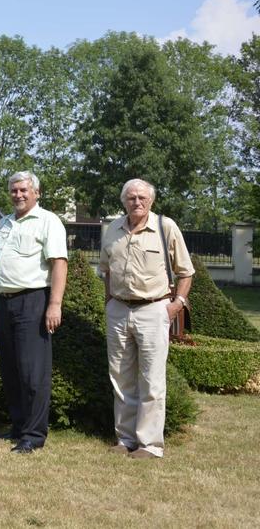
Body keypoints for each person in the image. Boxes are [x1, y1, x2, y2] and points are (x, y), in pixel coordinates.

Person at [100, 178, 194, 459]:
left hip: (154, 310)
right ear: (123, 201)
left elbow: (186, 272)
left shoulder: (166, 227)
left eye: (141, 197)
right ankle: (125, 439)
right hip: (118, 309)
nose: (136, 202)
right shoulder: (113, 229)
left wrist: (177, 304)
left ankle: (150, 444)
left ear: (151, 200)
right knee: (120, 377)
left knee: (152, 379)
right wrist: (108, 303)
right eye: (131, 198)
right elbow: (106, 271)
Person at [0, 170, 68, 452]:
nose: (18, 195)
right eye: (14, 190)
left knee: (32, 372)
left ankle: (34, 435)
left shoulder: (48, 221)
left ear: (36, 193)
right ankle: (19, 427)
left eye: (24, 190)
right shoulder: (5, 223)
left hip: (33, 301)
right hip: (5, 301)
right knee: (10, 369)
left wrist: (54, 304)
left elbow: (59, 263)